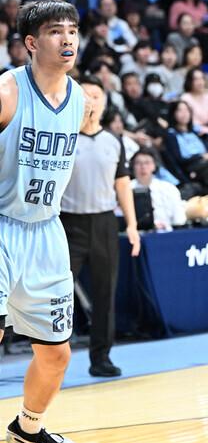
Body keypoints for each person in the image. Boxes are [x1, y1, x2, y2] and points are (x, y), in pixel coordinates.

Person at [0, 0, 88, 443]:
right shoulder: (7, 92)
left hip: (46, 232)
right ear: (32, 43)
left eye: (72, 29)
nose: (68, 38)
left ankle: (28, 428)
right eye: (56, 31)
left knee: (56, 355)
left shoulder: (81, 100)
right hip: (1, 223)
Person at [60, 76, 140, 377]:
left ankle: (101, 357)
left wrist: (131, 224)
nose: (91, 101)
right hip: (68, 223)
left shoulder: (114, 140)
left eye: (96, 95)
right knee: (59, 293)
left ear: (105, 103)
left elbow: (123, 185)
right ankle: (52, 357)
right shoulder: (64, 136)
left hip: (104, 221)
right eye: (85, 95)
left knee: (105, 292)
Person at [130, 149, 187, 230]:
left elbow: (179, 217)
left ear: (154, 165)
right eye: (138, 163)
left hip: (167, 231)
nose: (143, 167)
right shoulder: (127, 188)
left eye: (147, 163)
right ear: (133, 166)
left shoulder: (168, 188)